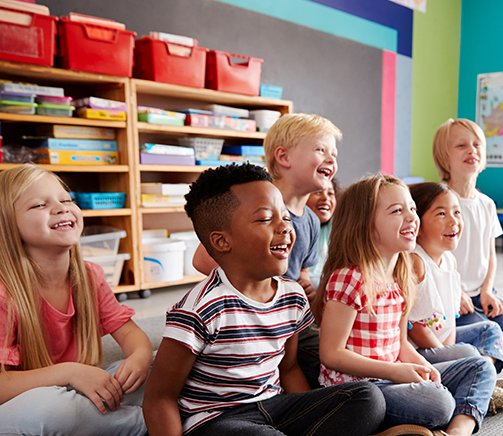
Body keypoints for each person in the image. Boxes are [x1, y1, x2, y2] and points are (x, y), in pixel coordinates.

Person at [143, 163, 384, 436]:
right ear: (222, 241)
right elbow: (159, 397)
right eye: (265, 219)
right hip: (217, 420)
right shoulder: (199, 310)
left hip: (273, 407)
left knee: (367, 397)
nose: (285, 227)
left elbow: (289, 368)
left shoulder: (292, 296)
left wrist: (307, 409)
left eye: (285, 217)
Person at [313, 174, 497, 436]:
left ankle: (457, 431)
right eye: (397, 211)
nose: (412, 217)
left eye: (412, 208)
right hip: (362, 390)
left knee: (481, 367)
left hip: (393, 375)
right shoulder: (349, 278)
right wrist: (398, 372)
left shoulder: (400, 274)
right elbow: (331, 354)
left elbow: (400, 344)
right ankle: (467, 405)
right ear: (365, 224)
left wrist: (425, 367)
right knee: (439, 403)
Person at [0, 164, 152, 436]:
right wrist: (69, 372)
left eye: (66, 200)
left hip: (73, 389)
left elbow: (130, 333)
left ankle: (115, 420)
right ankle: (149, 422)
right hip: (3, 412)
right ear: (6, 225)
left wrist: (140, 357)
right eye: (39, 205)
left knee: (160, 363)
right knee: (53, 411)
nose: (62, 208)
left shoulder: (89, 275)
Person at [193, 113, 340, 390]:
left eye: (334, 153)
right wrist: (256, 288)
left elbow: (301, 272)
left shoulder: (309, 220)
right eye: (321, 150)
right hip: (245, 315)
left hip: (285, 315)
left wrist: (304, 285)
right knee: (320, 359)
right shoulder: (255, 206)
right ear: (283, 157)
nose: (331, 160)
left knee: (334, 347)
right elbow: (202, 259)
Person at [407, 182, 503, 415]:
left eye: (457, 212)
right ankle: (478, 386)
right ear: (417, 225)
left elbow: (451, 319)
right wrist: (448, 353)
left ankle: (478, 381)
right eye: (441, 213)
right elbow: (416, 329)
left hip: (443, 341)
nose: (453, 221)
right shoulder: (416, 262)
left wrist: (452, 350)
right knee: (471, 355)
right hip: (422, 349)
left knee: (492, 331)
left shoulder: (450, 260)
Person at [432, 118, 503, 358]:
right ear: (444, 157)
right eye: (461, 146)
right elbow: (432, 258)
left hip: (482, 292)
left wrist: (487, 289)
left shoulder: (487, 204)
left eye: (477, 145)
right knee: (500, 341)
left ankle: (477, 345)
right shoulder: (438, 202)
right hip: (452, 296)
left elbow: (490, 255)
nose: (472, 150)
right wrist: (456, 294)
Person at [306, 178, 340, 288]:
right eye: (317, 191)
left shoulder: (336, 227)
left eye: (330, 193)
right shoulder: (296, 228)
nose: (326, 198)